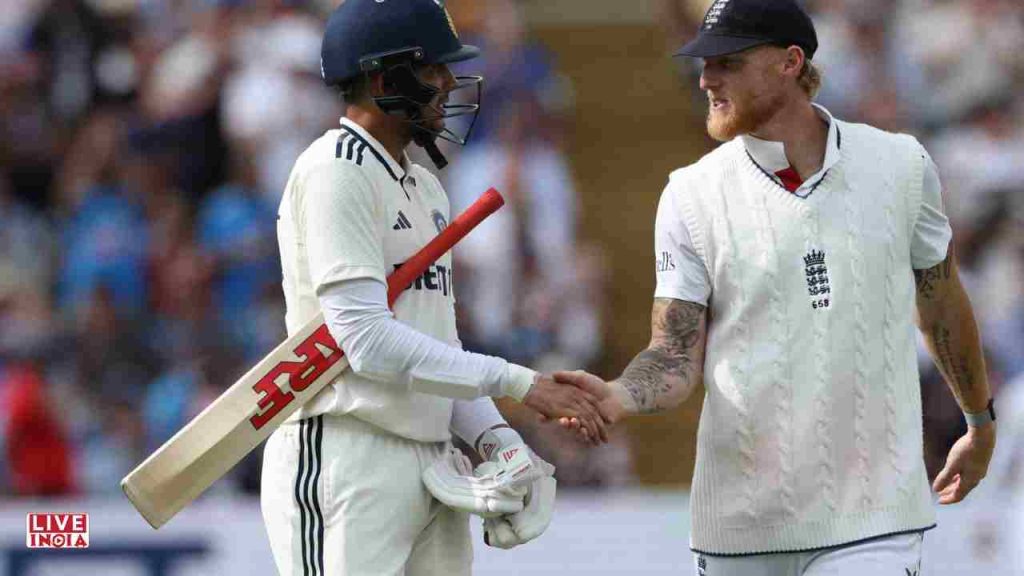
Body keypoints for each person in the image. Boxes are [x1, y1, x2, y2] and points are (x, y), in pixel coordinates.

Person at [555, 0, 996, 574]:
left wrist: (979, 421)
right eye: (704, 63)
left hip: (873, 519)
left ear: (790, 63)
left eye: (728, 62)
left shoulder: (901, 165)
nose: (706, 78)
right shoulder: (690, 193)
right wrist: (618, 394)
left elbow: (940, 305)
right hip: (739, 527)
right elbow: (674, 354)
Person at [260, 1, 606, 575]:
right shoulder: (335, 170)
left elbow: (435, 344)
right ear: (381, 80)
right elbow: (366, 341)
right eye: (432, 69)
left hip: (433, 462)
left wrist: (497, 439)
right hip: (349, 453)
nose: (448, 82)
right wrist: (521, 383)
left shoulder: (425, 187)